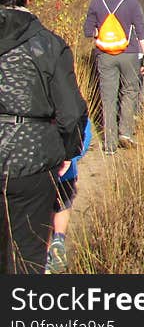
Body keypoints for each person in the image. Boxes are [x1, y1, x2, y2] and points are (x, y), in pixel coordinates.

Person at [1, 0, 88, 274]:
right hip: (33, 162)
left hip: (32, 158)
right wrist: (68, 151)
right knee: (27, 255)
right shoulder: (48, 45)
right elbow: (71, 111)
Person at [84, 0, 144, 154]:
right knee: (130, 91)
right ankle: (126, 133)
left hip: (104, 55)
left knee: (108, 97)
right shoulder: (131, 3)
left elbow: (88, 31)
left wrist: (103, 34)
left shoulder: (96, 3)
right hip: (129, 53)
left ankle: (110, 145)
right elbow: (141, 31)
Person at [45, 117, 92, 274]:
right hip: (67, 170)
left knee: (41, 212)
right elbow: (85, 132)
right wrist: (73, 157)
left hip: (38, 169)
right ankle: (58, 240)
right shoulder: (70, 100)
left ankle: (43, 256)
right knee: (62, 206)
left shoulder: (32, 101)